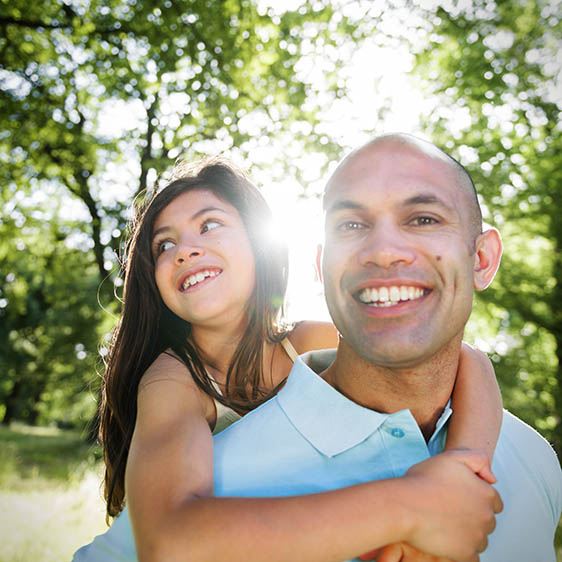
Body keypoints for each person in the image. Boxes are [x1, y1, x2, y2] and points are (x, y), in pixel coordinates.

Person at [74, 156, 503, 562]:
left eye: (209, 225)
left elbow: (467, 360)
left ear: (260, 245)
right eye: (164, 245)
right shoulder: (174, 378)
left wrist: (460, 472)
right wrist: (415, 508)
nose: (184, 250)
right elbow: (169, 542)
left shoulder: (311, 339)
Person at [212, 134, 562, 561]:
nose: (383, 252)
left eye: (423, 219)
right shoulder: (211, 484)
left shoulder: (534, 460)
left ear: (482, 259)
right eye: (352, 225)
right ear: (321, 269)